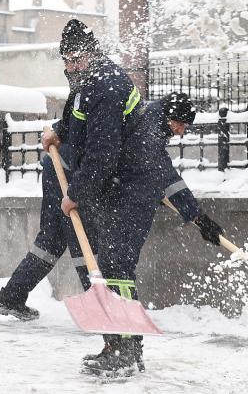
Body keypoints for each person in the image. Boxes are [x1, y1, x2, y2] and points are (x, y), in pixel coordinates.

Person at [49, 21, 224, 378]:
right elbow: (80, 121)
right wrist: (59, 130)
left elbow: (110, 156)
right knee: (110, 266)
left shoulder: (109, 88)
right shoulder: (88, 84)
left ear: (91, 54)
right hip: (117, 187)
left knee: (116, 265)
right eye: (66, 59)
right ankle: (118, 344)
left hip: (132, 190)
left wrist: (75, 194)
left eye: (76, 58)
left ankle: (126, 349)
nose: (70, 66)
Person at [0, 67, 99, 320]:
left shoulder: (91, 87)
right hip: (65, 169)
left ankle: (11, 296)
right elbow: (79, 126)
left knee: (52, 240)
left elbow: (74, 124)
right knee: (81, 235)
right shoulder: (94, 88)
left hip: (61, 166)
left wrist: (57, 133)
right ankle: (96, 303)